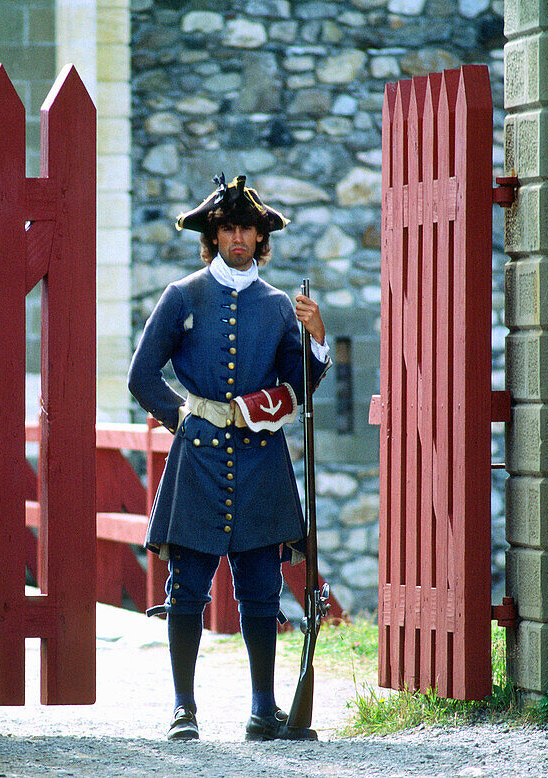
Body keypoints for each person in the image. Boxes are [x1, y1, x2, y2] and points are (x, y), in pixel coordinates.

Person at [127, 174, 331, 742]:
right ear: (213, 235)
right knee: (186, 589)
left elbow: (299, 387)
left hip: (262, 460)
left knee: (261, 591)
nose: (239, 238)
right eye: (228, 228)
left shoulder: (278, 307)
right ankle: (183, 709)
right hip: (198, 459)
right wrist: (186, 421)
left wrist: (316, 338)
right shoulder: (182, 296)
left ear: (261, 238)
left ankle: (264, 710)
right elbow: (142, 377)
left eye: (248, 229)